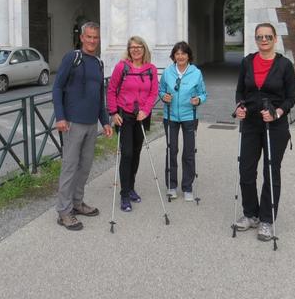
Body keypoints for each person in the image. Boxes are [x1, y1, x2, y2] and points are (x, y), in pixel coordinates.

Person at [234, 23, 295, 241]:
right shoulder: (247, 62)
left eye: (268, 37)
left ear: (275, 39)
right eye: (260, 37)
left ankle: (267, 219)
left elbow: (291, 97)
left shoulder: (285, 65)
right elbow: (240, 91)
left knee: (271, 171)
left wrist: (278, 113)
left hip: (275, 125)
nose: (264, 40)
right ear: (255, 39)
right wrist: (239, 107)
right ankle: (251, 214)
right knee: (246, 169)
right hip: (251, 123)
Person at [52, 22, 113, 231]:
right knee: (69, 167)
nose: (92, 41)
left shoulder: (98, 62)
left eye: (95, 37)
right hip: (72, 123)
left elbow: (99, 96)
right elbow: (57, 87)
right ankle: (64, 211)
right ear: (82, 37)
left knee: (85, 167)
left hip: (91, 124)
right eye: (89, 37)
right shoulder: (73, 58)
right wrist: (60, 116)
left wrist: (105, 121)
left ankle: (77, 203)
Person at [106, 36, 158, 213]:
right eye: (132, 47)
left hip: (142, 116)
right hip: (124, 115)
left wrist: (146, 110)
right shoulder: (122, 67)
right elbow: (112, 89)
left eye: (139, 47)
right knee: (127, 153)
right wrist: (113, 112)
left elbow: (153, 93)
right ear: (128, 50)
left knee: (136, 152)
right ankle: (124, 194)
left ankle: (131, 186)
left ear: (144, 49)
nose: (135, 50)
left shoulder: (150, 69)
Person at [158, 41, 207, 201]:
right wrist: (163, 97)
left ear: (188, 56)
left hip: (189, 117)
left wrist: (198, 100)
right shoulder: (167, 72)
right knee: (171, 150)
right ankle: (172, 186)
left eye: (183, 53)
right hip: (170, 116)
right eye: (177, 53)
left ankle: (187, 187)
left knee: (189, 152)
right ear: (174, 56)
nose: (180, 56)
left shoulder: (196, 73)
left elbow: (203, 93)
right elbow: (161, 90)